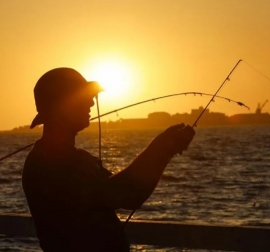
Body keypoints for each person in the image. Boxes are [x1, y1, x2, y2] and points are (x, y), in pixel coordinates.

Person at [22, 67, 195, 252]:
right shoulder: (48, 163)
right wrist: (161, 148)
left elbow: (130, 193)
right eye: (83, 97)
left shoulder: (75, 159)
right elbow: (127, 193)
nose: (91, 102)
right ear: (61, 106)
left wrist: (166, 150)